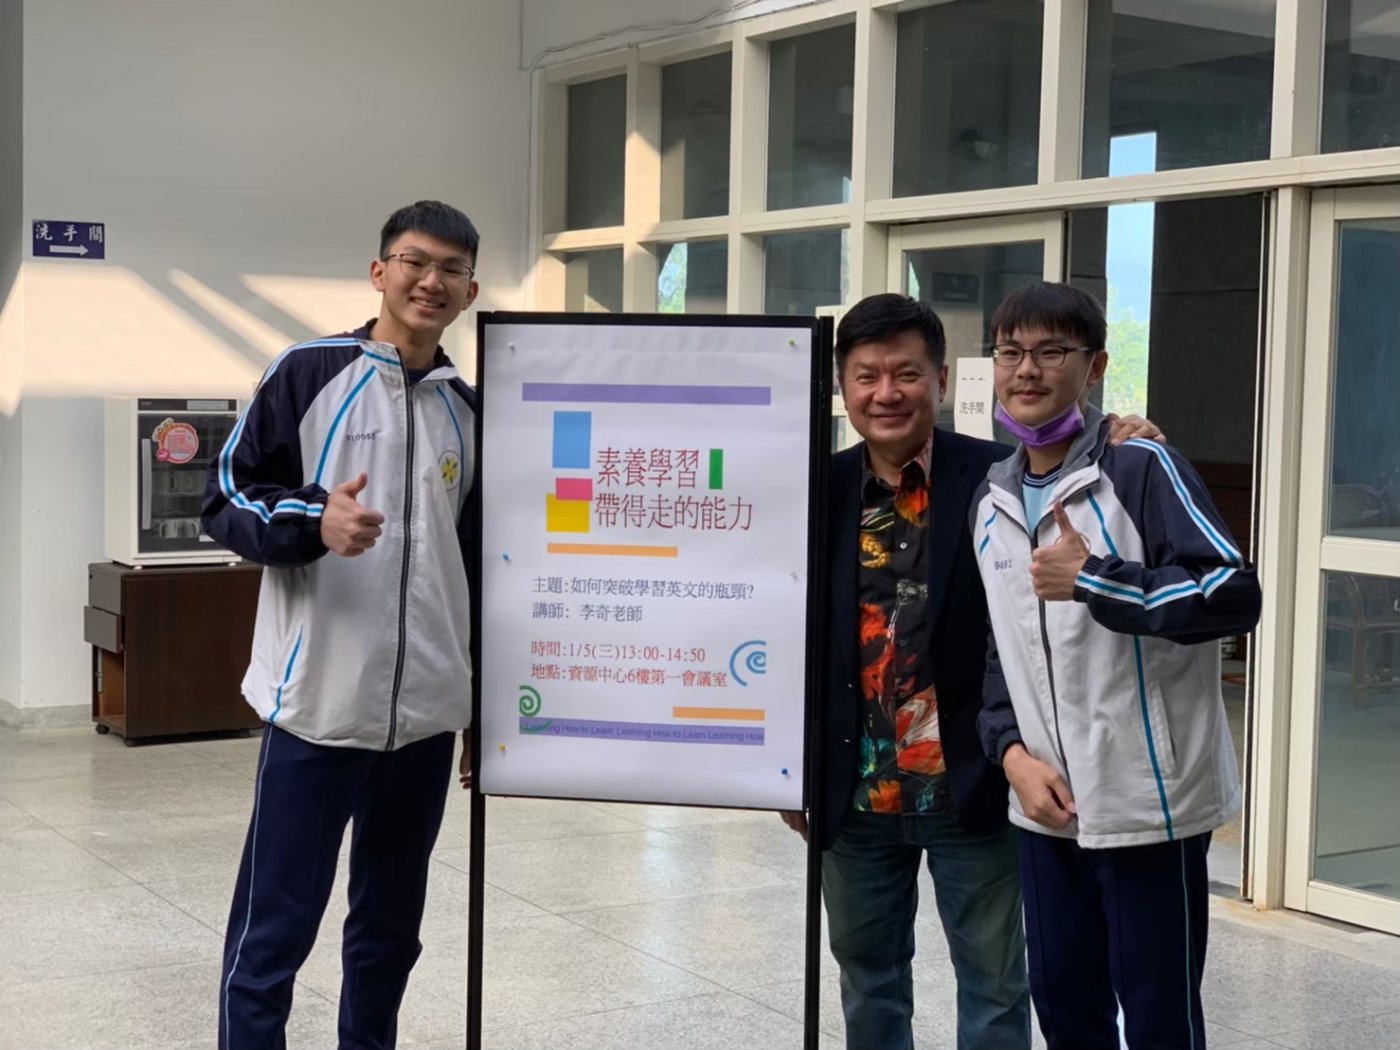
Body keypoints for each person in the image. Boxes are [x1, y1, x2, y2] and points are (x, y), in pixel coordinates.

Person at [779, 292, 1160, 1050]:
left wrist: (1125, 433)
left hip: (974, 782)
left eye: (906, 373)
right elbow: (783, 629)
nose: (886, 393)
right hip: (854, 792)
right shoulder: (814, 489)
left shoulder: (999, 477)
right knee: (869, 979)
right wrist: (784, 768)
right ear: (842, 387)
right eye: (866, 376)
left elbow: (1084, 477)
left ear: (942, 381)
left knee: (994, 987)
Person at [202, 200, 482, 1050]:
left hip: (425, 721)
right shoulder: (309, 371)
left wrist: (478, 707)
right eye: (414, 261)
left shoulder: (467, 410)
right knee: (273, 935)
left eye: (451, 270)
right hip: (317, 711)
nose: (430, 281)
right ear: (379, 271)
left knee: (389, 936)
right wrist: (312, 520)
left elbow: (478, 568)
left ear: (471, 291)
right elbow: (227, 496)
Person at [972, 282, 1261, 1050]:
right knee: (1065, 1008)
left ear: (1094, 366)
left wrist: (1096, 581)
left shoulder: (1139, 467)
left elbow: (1234, 594)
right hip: (1045, 806)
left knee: (1160, 1018)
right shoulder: (992, 498)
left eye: (1051, 351)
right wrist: (1010, 755)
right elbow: (1001, 649)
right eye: (1010, 352)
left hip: (1148, 806)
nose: (1026, 370)